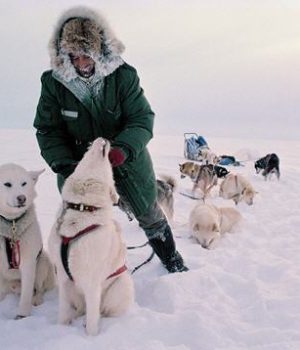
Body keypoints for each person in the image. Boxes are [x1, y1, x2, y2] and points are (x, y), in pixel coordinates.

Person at [33, 6, 188, 273]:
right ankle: (80, 273)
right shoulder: (53, 83)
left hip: (126, 162)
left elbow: (141, 118)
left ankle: (173, 261)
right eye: (75, 56)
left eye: (87, 56)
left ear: (100, 52)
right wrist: (65, 166)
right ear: (65, 55)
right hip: (77, 168)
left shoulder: (123, 76)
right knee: (79, 221)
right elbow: (48, 130)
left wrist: (124, 149)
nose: (81, 63)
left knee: (148, 212)